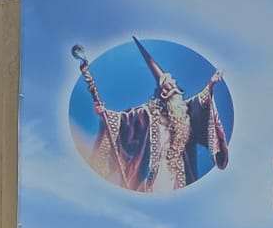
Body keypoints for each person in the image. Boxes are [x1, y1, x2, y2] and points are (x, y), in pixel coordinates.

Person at [77, 37, 229, 194]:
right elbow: (124, 121)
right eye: (170, 88)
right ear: (163, 94)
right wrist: (105, 114)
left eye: (175, 88)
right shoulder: (148, 114)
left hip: (176, 176)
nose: (175, 92)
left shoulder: (184, 114)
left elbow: (201, 102)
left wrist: (211, 84)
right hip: (155, 174)